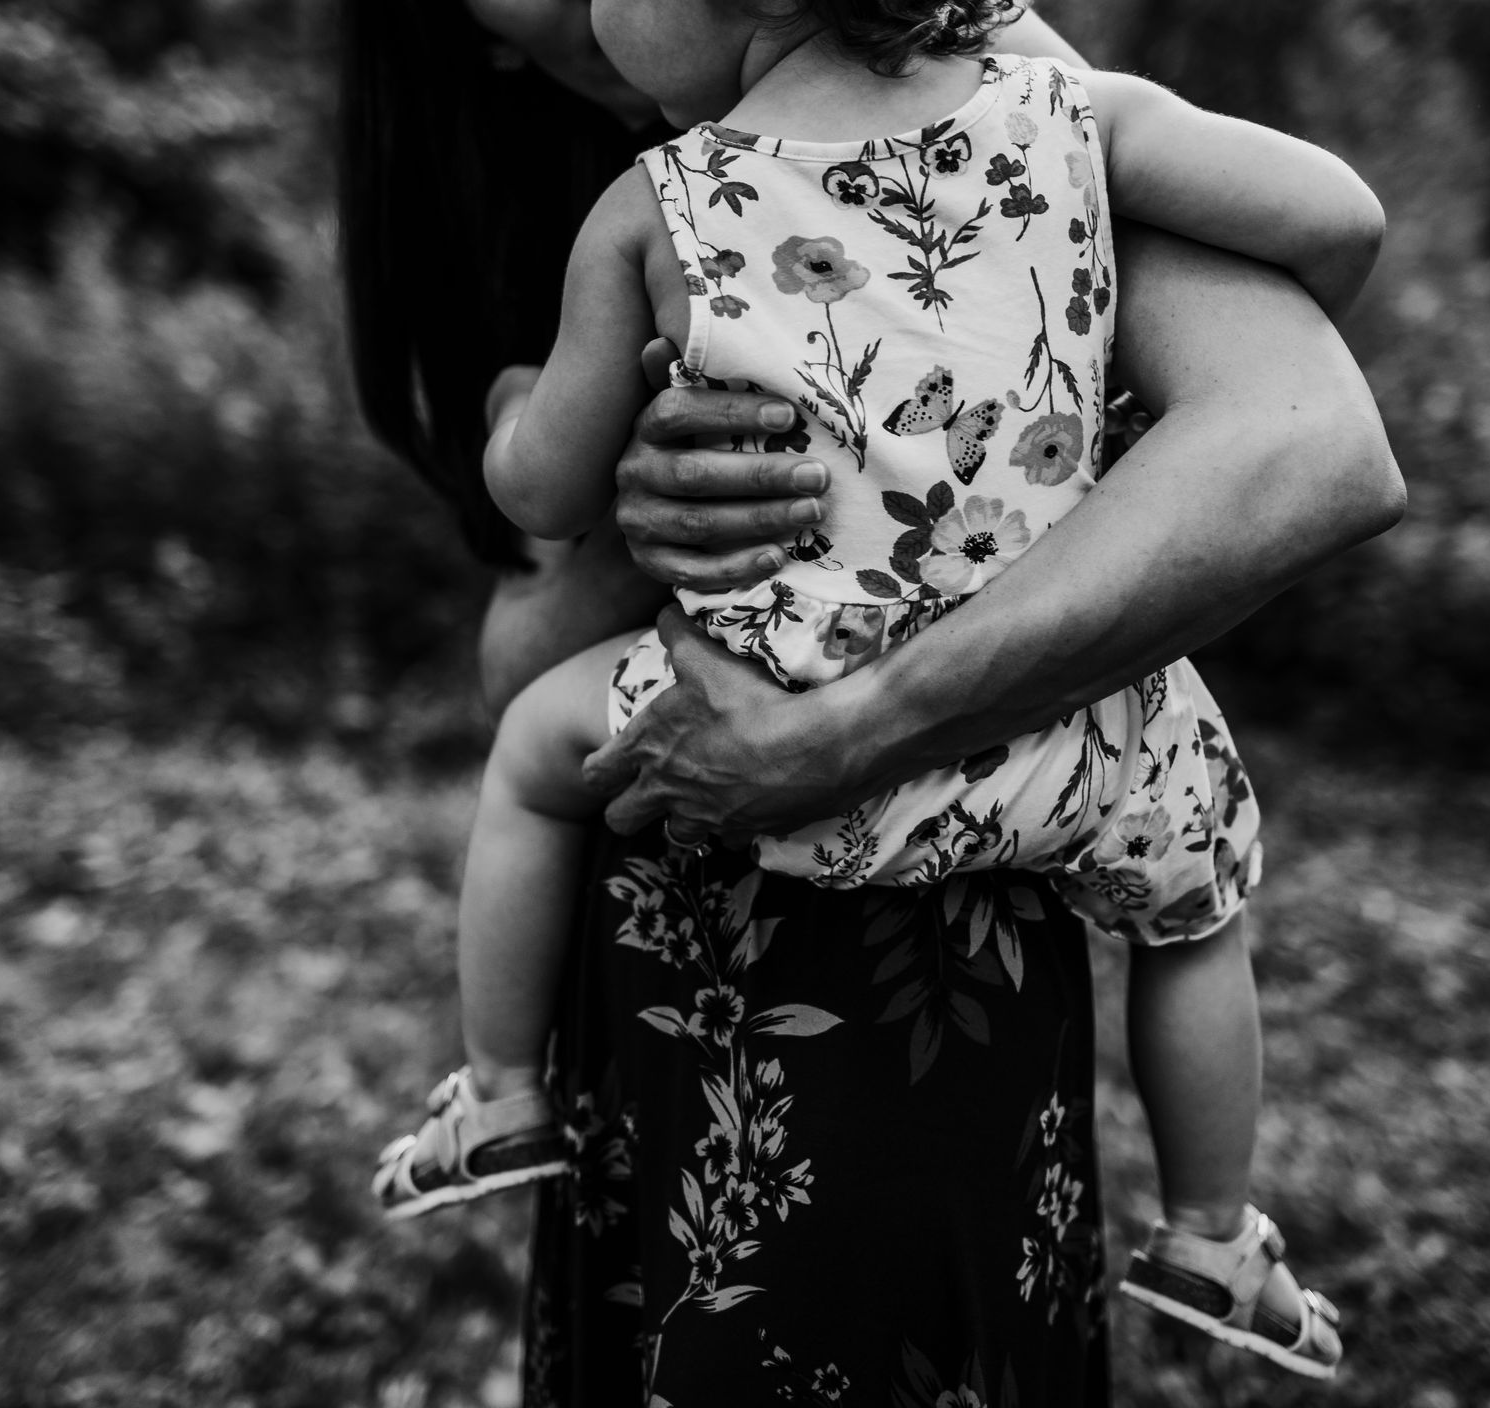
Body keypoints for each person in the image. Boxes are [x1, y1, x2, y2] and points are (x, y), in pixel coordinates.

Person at [338, 2, 1403, 1401]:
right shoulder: (1065, 118)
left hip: (756, 745)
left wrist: (521, 417)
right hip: (1045, 757)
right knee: (1197, 909)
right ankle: (1211, 1230)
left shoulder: (653, 208)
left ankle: (494, 1094)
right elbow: (1342, 224)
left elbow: (537, 494)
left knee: (540, 750)